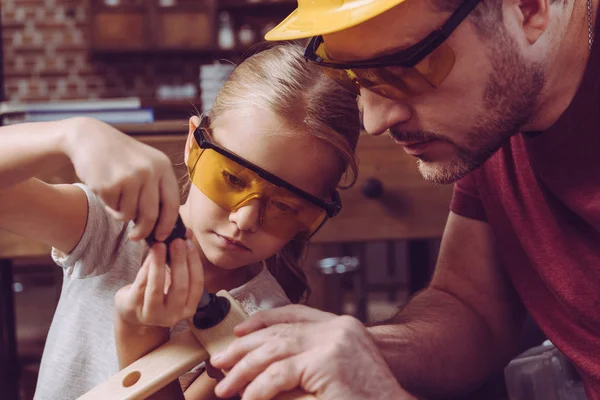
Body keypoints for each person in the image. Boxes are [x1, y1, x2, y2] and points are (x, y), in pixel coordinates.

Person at [206, 0, 600, 399]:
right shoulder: (493, 119)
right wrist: (351, 351)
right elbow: (472, 310)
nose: (374, 122)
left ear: (529, 9)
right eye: (354, 78)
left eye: (401, 71)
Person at [0, 44, 361, 399]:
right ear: (193, 144)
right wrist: (73, 135)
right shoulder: (110, 228)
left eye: (287, 206)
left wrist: (143, 337)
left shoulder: (269, 321)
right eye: (233, 179)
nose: (245, 219)